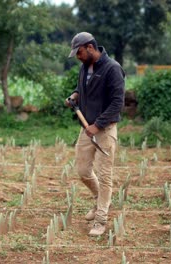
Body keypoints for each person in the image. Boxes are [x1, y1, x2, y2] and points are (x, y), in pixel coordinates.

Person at [65, 32, 125, 236]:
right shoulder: (84, 67)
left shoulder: (112, 69)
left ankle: (101, 219)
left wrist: (98, 125)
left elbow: (117, 103)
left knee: (104, 175)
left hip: (105, 129)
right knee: (82, 171)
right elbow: (82, 89)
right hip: (86, 128)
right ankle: (101, 200)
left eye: (79, 52)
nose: (78, 57)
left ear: (90, 47)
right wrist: (74, 95)